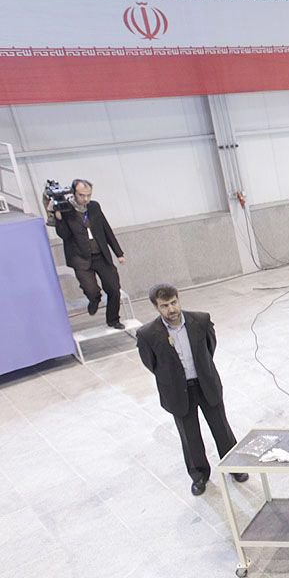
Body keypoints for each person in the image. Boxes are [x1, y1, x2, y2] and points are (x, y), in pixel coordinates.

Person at [137, 283, 247, 496]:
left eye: (174, 302)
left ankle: (234, 466)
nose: (171, 309)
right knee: (190, 436)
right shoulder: (147, 334)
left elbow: (209, 348)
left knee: (222, 428)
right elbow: (152, 364)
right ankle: (199, 476)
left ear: (179, 299)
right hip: (178, 391)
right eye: (165, 305)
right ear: (156, 307)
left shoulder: (201, 320)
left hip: (205, 384)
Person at [51, 179, 126, 328]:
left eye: (88, 195)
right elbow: (64, 235)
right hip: (80, 258)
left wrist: (118, 253)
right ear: (73, 193)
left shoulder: (94, 207)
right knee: (91, 290)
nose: (85, 199)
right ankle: (94, 298)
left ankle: (113, 319)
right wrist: (58, 217)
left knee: (113, 288)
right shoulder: (66, 209)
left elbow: (106, 229)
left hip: (101, 255)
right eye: (81, 195)